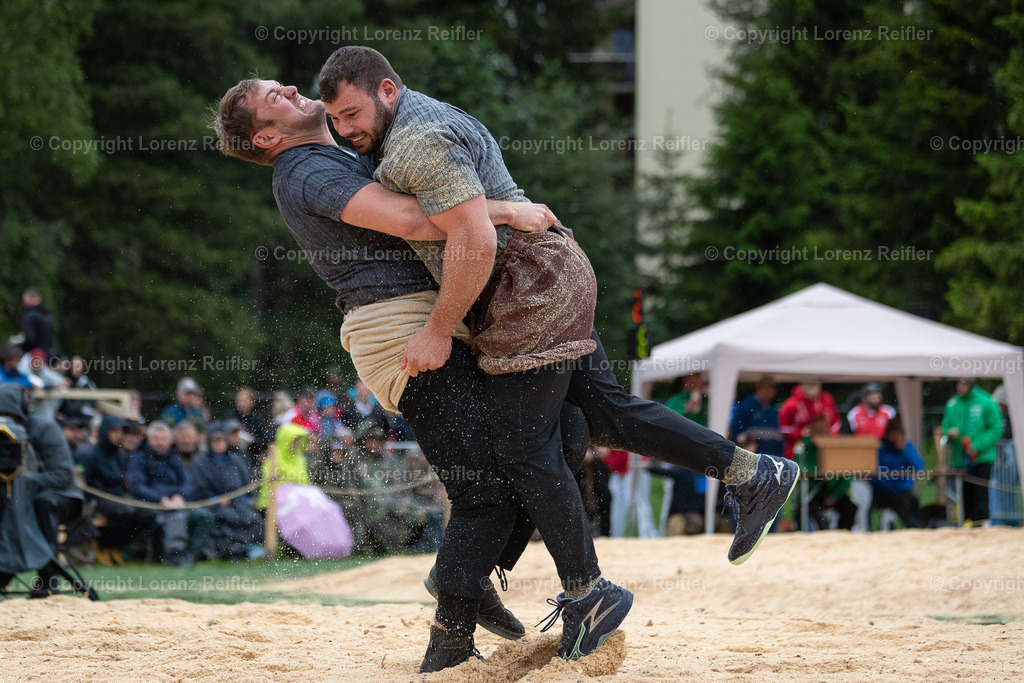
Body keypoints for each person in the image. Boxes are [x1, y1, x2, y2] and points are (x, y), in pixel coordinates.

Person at [214, 66, 798, 671]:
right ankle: (460, 634)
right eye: (273, 98)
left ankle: (479, 581)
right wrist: (507, 213)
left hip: (465, 306)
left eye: (347, 113)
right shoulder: (307, 167)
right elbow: (417, 221)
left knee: (568, 433)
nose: (291, 91)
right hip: (408, 326)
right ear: (265, 137)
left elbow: (431, 210)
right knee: (492, 483)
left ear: (384, 92)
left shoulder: (358, 148)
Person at [0, 384, 84, 594]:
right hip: (17, 498)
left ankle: (48, 578)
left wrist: (26, 483)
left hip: (61, 497)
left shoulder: (45, 429)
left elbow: (63, 476)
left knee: (43, 502)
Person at [126, 422, 215, 566]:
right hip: (151, 505)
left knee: (205, 517)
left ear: (169, 440)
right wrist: (159, 499)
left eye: (163, 439)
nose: (160, 443)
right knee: (177, 517)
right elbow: (136, 487)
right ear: (148, 439)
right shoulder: (139, 457)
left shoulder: (174, 457)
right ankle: (175, 558)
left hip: (176, 502)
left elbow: (188, 482)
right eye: (156, 439)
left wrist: (180, 496)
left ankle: (191, 556)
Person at [75, 414, 158, 557]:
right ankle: (106, 544)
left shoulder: (119, 455)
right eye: (115, 431)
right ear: (105, 431)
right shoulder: (88, 454)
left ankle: (116, 545)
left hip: (118, 498)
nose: (119, 436)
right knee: (126, 512)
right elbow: (81, 484)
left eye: (121, 432)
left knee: (149, 513)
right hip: (96, 499)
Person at [189, 421, 264, 561]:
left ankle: (249, 548)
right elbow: (197, 488)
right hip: (214, 505)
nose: (219, 444)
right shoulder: (199, 462)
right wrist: (214, 498)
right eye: (215, 440)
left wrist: (247, 499)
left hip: (238, 503)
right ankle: (231, 550)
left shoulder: (236, 460)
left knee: (253, 519)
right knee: (227, 519)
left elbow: (247, 485)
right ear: (209, 442)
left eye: (221, 440)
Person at [942, 378, 1004, 525]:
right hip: (959, 459)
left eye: (963, 383)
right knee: (964, 496)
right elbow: (945, 426)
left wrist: (978, 445)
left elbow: (996, 428)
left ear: (970, 384)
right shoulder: (952, 403)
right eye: (958, 383)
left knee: (981, 495)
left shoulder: (986, 401)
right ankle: (966, 526)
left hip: (981, 458)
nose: (959, 386)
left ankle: (983, 526)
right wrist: (949, 433)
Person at [872, 417, 925, 529]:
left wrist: (904, 450)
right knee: (898, 502)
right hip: (885, 492)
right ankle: (915, 527)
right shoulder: (881, 449)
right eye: (893, 434)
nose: (895, 438)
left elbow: (919, 466)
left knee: (914, 500)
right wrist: (899, 492)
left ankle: (918, 526)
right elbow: (877, 477)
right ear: (887, 434)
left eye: (898, 434)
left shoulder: (907, 447)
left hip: (902, 491)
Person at [779, 381, 840, 460]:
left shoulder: (827, 401)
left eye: (815, 385)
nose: (813, 388)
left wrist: (831, 436)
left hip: (824, 446)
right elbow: (783, 428)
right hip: (800, 447)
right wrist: (800, 433)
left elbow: (835, 422)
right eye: (810, 385)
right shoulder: (791, 405)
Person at [258, 423, 310, 510]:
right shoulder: (273, 458)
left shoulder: (300, 460)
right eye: (294, 441)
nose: (296, 444)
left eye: (298, 441)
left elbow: (305, 482)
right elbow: (270, 484)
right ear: (286, 440)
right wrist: (292, 486)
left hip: (295, 503)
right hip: (272, 505)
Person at [729, 376, 784, 458]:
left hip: (774, 452)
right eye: (767, 388)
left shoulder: (774, 408)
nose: (770, 392)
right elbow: (737, 431)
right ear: (759, 388)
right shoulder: (746, 405)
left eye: (772, 389)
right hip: (753, 453)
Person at [225, 386, 272, 468]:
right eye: (239, 400)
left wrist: (252, 440)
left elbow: (265, 439)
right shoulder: (231, 415)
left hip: (252, 454)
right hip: (232, 452)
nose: (240, 403)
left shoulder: (259, 417)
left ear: (252, 402)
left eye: (243, 400)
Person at [20, 288, 56, 360]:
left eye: (25, 299)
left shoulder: (29, 315)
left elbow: (30, 339)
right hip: (49, 354)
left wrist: (21, 345)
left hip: (34, 357)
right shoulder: (47, 315)